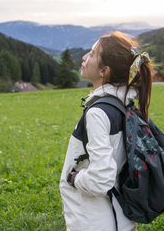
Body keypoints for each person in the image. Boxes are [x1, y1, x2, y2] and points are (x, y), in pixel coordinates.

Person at [60, 31, 153, 231]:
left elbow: (101, 178)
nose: (84, 57)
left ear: (105, 71)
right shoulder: (124, 105)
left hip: (94, 220)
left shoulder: (98, 113)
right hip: (120, 218)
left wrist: (73, 178)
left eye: (92, 54)